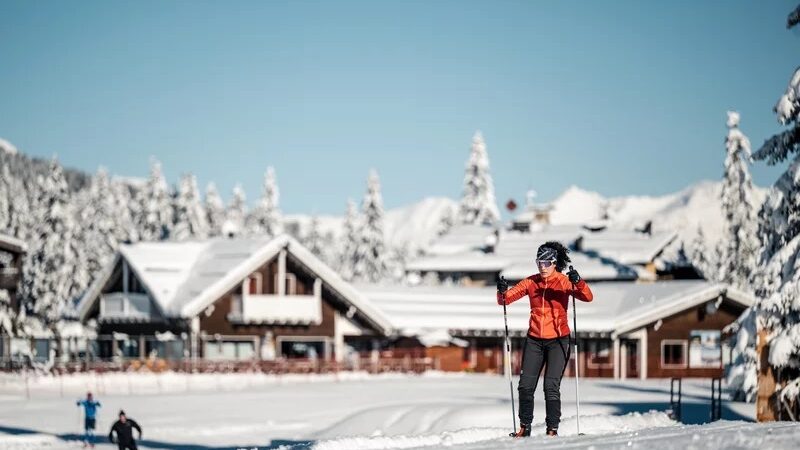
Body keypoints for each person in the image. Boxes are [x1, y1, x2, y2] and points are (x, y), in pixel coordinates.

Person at [496, 241, 593, 438]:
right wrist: (502, 290)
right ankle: (524, 428)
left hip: (558, 340)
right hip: (534, 340)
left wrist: (579, 281)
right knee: (525, 386)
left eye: (546, 263)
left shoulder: (564, 282)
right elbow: (505, 300)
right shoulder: (531, 282)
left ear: (555, 263)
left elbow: (587, 297)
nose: (542, 267)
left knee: (550, 386)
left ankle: (552, 430)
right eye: (539, 262)